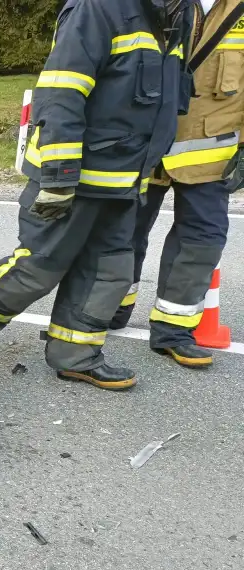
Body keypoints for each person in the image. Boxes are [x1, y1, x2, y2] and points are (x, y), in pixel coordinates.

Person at [0, 0, 192, 390]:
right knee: (42, 266)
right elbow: (61, 93)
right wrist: (58, 177)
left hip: (126, 180)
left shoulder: (178, 14)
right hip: (73, 175)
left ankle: (76, 355)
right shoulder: (98, 8)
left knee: (110, 273)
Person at [110, 0, 242, 369]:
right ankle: (110, 308)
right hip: (144, 142)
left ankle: (173, 330)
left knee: (203, 238)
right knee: (123, 230)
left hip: (209, 150)